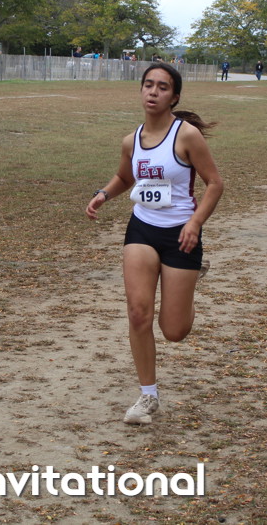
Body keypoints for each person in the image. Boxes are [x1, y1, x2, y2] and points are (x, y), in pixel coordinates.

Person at [85, 62, 224, 425]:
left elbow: (214, 184)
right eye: (148, 85)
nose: (153, 92)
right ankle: (148, 395)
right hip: (143, 229)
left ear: (174, 97)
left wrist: (195, 223)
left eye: (163, 87)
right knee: (138, 312)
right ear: (141, 90)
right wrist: (104, 194)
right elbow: (124, 176)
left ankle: (189, 288)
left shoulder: (187, 136)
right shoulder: (131, 140)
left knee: (174, 331)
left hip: (181, 234)